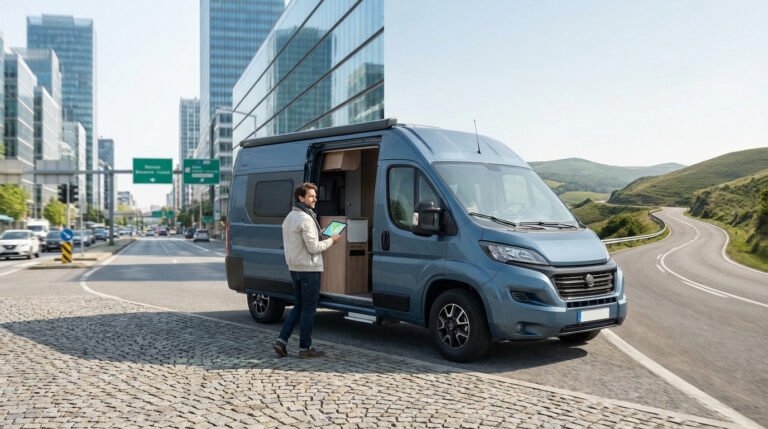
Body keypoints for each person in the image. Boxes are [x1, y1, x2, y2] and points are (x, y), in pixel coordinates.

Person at [274, 182, 340, 358]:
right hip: (309, 269)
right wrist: (331, 240)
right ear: (300, 198)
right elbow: (313, 247)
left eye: (315, 196)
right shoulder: (305, 219)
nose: (315, 199)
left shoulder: (290, 217)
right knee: (309, 308)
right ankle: (305, 348)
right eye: (311, 196)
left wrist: (321, 233)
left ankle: (281, 340)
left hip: (295, 267)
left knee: (299, 305)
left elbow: (304, 241)